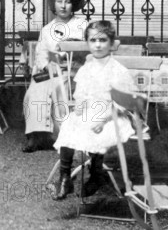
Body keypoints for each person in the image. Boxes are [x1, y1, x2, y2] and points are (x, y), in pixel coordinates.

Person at [51, 20, 135, 200]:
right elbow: (81, 95)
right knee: (69, 124)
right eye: (93, 40)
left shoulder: (118, 70)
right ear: (88, 43)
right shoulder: (86, 69)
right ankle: (65, 177)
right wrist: (79, 108)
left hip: (113, 116)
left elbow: (124, 104)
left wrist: (103, 120)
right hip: (91, 111)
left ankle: (96, 174)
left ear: (111, 44)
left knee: (99, 130)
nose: (97, 45)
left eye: (103, 40)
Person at [22, 0, 88, 153]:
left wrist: (72, 49)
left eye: (67, 2)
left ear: (73, 5)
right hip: (51, 69)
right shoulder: (47, 29)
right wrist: (46, 65)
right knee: (34, 91)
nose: (63, 6)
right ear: (54, 5)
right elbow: (41, 53)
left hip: (73, 69)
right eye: (59, 2)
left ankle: (60, 137)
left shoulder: (83, 25)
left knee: (59, 87)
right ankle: (35, 136)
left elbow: (90, 49)